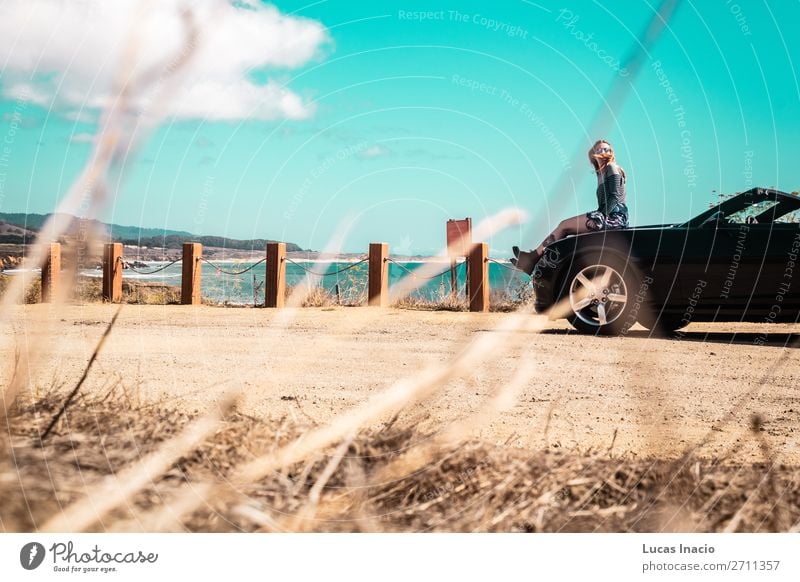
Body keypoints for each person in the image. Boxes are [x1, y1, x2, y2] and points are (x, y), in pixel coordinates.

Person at [511, 139, 629, 274]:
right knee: (566, 231)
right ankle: (538, 263)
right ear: (593, 154)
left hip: (614, 218)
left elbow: (614, 197)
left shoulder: (611, 167)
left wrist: (599, 217)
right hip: (606, 215)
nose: (604, 152)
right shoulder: (600, 173)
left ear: (611, 153)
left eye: (607, 149)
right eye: (600, 150)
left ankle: (532, 260)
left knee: (564, 226)